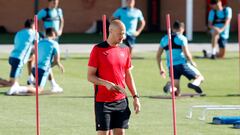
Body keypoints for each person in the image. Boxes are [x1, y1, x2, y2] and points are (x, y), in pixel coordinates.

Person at [87, 20, 141, 135]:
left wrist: (135, 97)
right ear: (111, 31)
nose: (123, 37)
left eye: (124, 33)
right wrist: (106, 83)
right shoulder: (98, 49)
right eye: (120, 34)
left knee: (120, 132)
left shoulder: (125, 49)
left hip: (121, 100)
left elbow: (128, 75)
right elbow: (90, 76)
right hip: (103, 102)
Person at [6, 28, 64, 95]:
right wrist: (58, 64)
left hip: (34, 69)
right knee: (39, 90)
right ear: (53, 34)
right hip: (42, 70)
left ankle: (54, 86)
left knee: (34, 87)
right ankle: (18, 88)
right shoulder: (54, 43)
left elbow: (32, 53)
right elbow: (56, 61)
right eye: (56, 35)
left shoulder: (39, 42)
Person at [156, 20, 204, 96]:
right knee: (200, 77)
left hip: (171, 66)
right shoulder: (182, 38)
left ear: (173, 28)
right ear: (182, 29)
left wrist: (161, 69)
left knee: (177, 93)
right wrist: (192, 62)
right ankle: (194, 84)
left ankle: (171, 87)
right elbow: (186, 53)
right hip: (182, 64)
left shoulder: (164, 39)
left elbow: (158, 55)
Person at [29, 0, 64, 91]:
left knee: (47, 61)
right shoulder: (44, 11)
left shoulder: (59, 11)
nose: (56, 3)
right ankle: (52, 84)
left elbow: (62, 20)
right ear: (49, 2)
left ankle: (51, 83)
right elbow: (35, 19)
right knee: (45, 59)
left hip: (54, 38)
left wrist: (60, 30)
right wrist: (40, 30)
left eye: (57, 2)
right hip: (46, 38)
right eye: (54, 2)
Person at [7, 19, 37, 89]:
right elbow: (37, 48)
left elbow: (21, 45)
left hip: (12, 57)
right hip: (18, 60)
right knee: (11, 83)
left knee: (32, 57)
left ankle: (31, 77)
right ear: (33, 26)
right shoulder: (34, 33)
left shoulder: (19, 33)